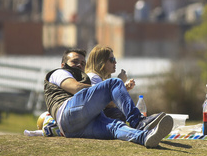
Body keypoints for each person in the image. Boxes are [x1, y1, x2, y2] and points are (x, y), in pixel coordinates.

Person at [43, 48, 173, 148]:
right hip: (67, 111)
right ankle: (139, 122)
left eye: (82, 63)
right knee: (115, 83)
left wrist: (104, 94)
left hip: (72, 130)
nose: (79, 65)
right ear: (63, 64)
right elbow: (76, 88)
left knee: (115, 126)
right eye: (74, 61)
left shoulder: (84, 77)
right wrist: (107, 91)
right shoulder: (59, 73)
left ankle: (144, 137)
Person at [85, 45, 133, 121]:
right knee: (117, 112)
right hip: (94, 121)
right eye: (112, 59)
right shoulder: (93, 77)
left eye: (115, 59)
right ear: (101, 61)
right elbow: (107, 103)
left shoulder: (100, 78)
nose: (115, 62)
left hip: (100, 118)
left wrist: (124, 88)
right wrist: (119, 82)